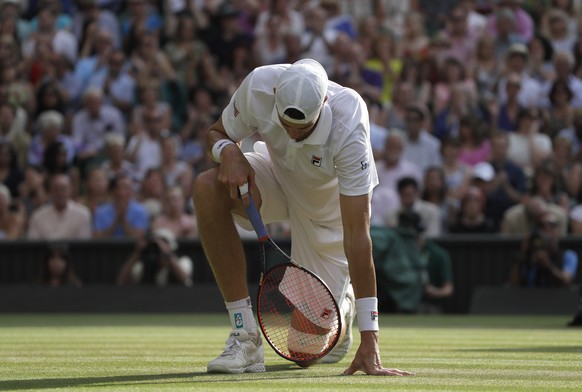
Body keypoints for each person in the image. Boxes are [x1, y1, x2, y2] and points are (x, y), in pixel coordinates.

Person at [192, 59, 412, 376]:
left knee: (302, 353)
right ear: (276, 93)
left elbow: (358, 235)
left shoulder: (349, 121)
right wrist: (227, 150)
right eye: (286, 124)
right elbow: (216, 133)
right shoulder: (258, 85)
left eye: (303, 127)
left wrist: (371, 337)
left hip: (328, 218)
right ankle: (245, 337)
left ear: (323, 103)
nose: (293, 133)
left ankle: (343, 306)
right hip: (274, 179)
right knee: (206, 187)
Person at [510, 213, 578, 288]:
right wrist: (522, 255)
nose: (547, 230)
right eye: (542, 227)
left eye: (552, 226)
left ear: (559, 232)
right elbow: (513, 285)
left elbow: (566, 281)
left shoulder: (568, 255)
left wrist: (548, 266)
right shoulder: (528, 254)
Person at [116, 228, 193, 286]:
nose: (160, 248)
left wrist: (167, 254)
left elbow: (184, 280)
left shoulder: (183, 261)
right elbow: (121, 281)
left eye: (164, 243)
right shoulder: (143, 267)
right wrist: (138, 253)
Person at [27, 173, 92, 240]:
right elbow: (33, 246)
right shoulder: (38, 216)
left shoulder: (82, 214)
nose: (60, 193)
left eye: (63, 189)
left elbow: (83, 246)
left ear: (70, 190)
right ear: (50, 192)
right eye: (56, 189)